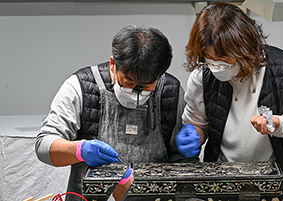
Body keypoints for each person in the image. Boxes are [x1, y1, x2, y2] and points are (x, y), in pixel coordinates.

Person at [175, 2, 283, 198]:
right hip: (222, 180)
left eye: (224, 59)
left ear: (243, 48)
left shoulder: (282, 67)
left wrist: (278, 123)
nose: (216, 67)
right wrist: (193, 134)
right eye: (209, 58)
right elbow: (197, 123)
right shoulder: (202, 75)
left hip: (274, 179)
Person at [35, 25, 185, 201]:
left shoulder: (171, 92)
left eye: (145, 87)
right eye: (128, 83)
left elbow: (184, 160)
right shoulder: (81, 87)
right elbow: (44, 145)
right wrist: (80, 150)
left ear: (160, 76)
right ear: (113, 64)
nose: (135, 94)